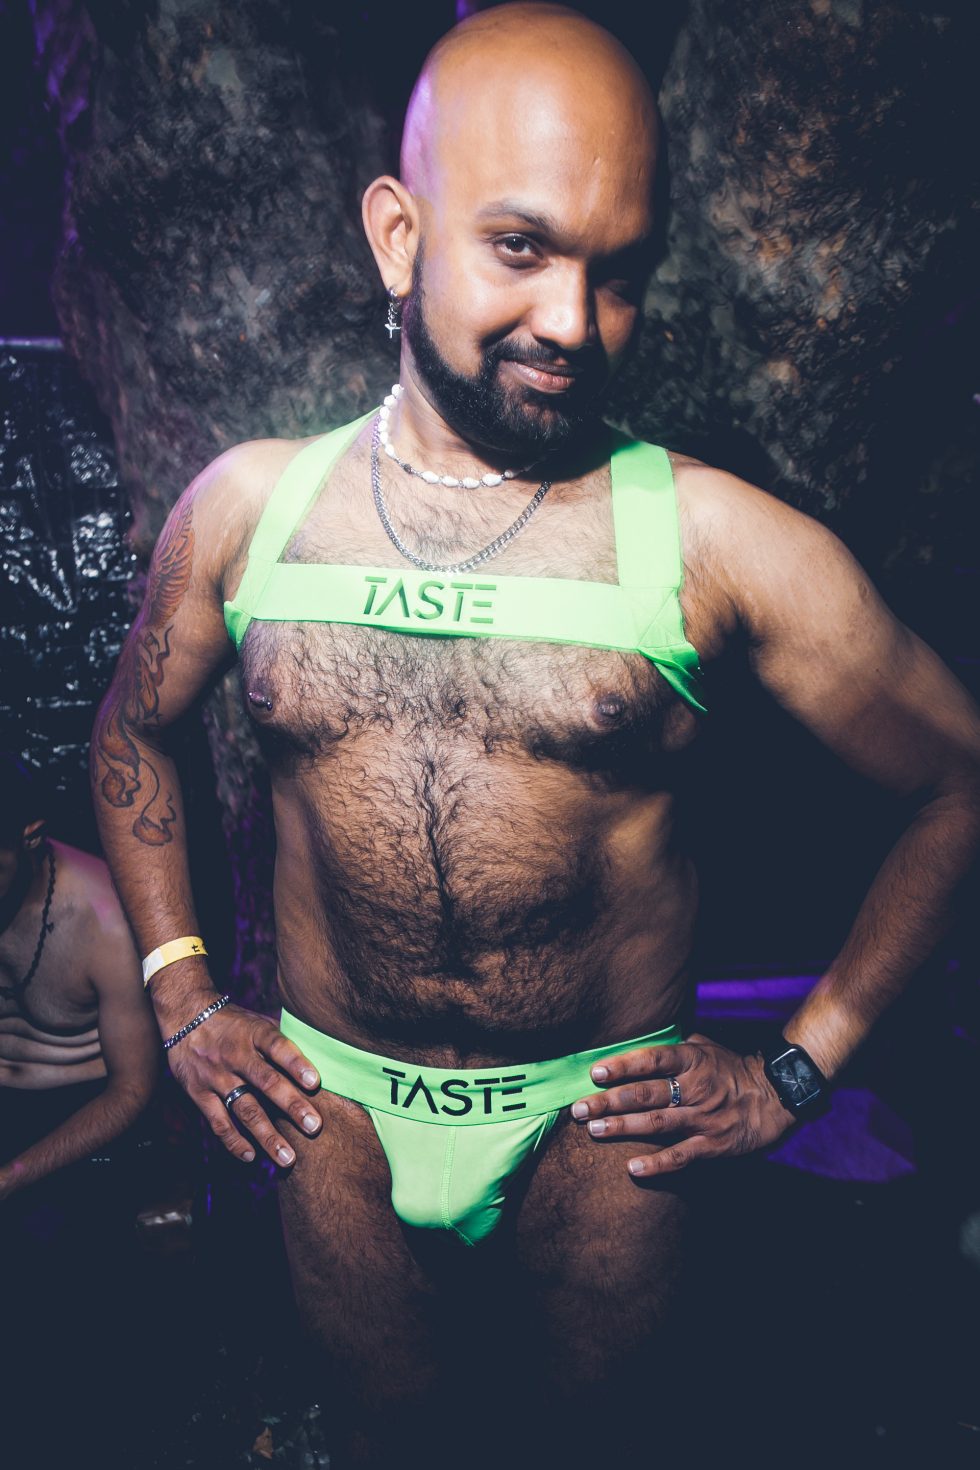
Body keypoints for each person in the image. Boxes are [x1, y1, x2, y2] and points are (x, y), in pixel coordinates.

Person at [91, 4, 980, 1464]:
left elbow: (957, 779)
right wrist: (181, 995)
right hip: (337, 1114)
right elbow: (132, 733)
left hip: (601, 1131)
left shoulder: (716, 540)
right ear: (398, 236)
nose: (572, 321)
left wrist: (796, 1070)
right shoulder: (248, 510)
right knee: (392, 1443)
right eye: (521, 248)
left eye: (616, 274)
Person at [0, 753, 158, 1206]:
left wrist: (9, 1179)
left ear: (30, 837)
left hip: (79, 1114)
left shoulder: (105, 921)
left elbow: (132, 1090)